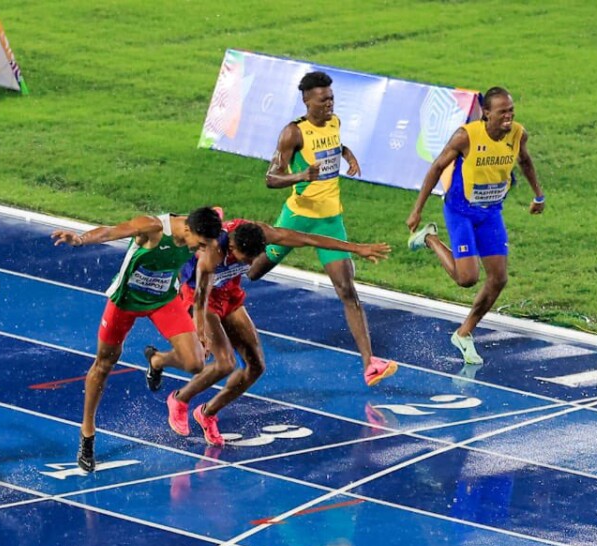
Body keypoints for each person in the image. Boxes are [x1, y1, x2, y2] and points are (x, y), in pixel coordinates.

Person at [174, 218, 392, 444]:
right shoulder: (212, 253)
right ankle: (180, 400)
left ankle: (207, 413)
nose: (250, 264)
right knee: (225, 363)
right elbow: (200, 297)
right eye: (246, 259)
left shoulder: (263, 234)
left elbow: (308, 239)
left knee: (256, 366)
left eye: (253, 258)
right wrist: (200, 334)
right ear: (231, 248)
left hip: (228, 292)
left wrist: (357, 248)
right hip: (200, 295)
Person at [244, 71, 397, 387]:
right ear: (306, 100)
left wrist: (349, 155)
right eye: (323, 99)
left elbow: (336, 146)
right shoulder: (293, 133)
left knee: (347, 290)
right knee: (254, 271)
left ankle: (370, 364)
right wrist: (300, 177)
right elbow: (271, 178)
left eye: (331, 98)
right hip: (297, 218)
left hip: (330, 220)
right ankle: (217, 282)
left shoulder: (335, 122)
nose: (329, 103)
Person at [51, 207, 221, 472]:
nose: (202, 250)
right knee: (104, 363)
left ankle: (157, 360)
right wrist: (81, 240)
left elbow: (205, 272)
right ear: (188, 228)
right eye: (199, 245)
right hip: (126, 301)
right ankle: (87, 433)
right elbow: (111, 231)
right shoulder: (152, 228)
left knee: (196, 362)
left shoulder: (204, 228)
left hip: (163, 301)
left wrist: (199, 324)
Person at [406, 86, 545, 365]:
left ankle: (464, 333)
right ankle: (431, 238)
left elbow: (525, 161)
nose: (509, 116)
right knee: (466, 278)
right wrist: (417, 209)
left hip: (491, 212)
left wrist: (538, 195)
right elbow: (436, 168)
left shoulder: (518, 133)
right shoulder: (466, 136)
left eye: (511, 110)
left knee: (499, 278)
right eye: (502, 111)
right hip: (461, 211)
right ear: (486, 113)